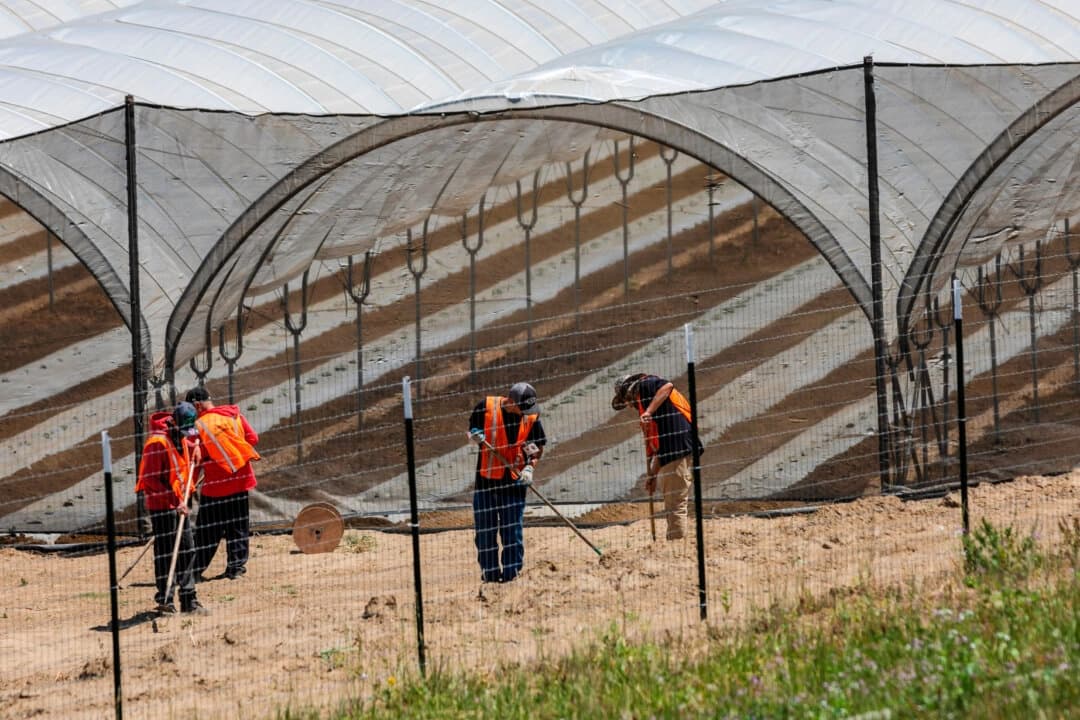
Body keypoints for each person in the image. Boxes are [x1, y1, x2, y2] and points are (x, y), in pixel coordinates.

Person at [467, 382, 546, 583]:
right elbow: (470, 431)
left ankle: (512, 578)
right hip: (486, 483)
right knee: (485, 535)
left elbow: (537, 446)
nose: (526, 413)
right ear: (511, 402)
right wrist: (475, 436)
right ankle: (490, 578)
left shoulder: (530, 416)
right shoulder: (485, 407)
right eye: (522, 408)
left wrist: (530, 467)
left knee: (512, 534)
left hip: (514, 483)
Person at [611, 373, 703, 540]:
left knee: (675, 501)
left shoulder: (645, 385)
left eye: (625, 400)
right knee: (672, 498)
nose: (628, 405)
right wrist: (652, 475)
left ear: (627, 391)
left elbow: (667, 386)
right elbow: (661, 449)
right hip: (675, 448)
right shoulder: (648, 402)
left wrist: (648, 411)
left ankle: (676, 546)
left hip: (679, 446)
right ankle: (676, 540)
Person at [135, 402, 206, 614]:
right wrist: (176, 503)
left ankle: (189, 600)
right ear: (173, 423)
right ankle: (166, 600)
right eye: (183, 432)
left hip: (179, 502)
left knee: (187, 548)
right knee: (166, 552)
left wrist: (195, 448)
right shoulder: (156, 443)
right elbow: (150, 481)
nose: (186, 436)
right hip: (162, 505)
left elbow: (186, 446)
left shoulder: (179, 435)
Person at [185, 386, 260, 580]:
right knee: (238, 527)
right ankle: (236, 569)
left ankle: (194, 571)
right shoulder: (235, 416)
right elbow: (253, 438)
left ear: (197, 405)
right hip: (241, 481)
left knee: (207, 531)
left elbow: (196, 460)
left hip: (216, 487)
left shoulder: (199, 426)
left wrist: (188, 489)